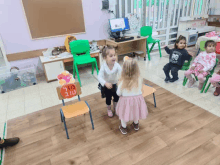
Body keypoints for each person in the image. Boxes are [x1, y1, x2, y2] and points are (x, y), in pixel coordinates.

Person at [116, 57, 148, 135]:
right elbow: (140, 90)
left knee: (124, 114)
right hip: (137, 101)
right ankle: (136, 124)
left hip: (126, 102)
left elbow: (118, 93)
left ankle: (123, 127)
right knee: (135, 112)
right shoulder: (139, 79)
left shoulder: (122, 82)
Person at [98, 45, 122, 117]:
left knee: (116, 97)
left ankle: (116, 108)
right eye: (111, 56)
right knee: (108, 98)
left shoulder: (117, 65)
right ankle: (109, 109)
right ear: (105, 58)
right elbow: (99, 77)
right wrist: (105, 83)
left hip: (115, 84)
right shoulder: (103, 67)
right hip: (107, 86)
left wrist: (120, 80)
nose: (114, 57)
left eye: (114, 55)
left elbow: (121, 74)